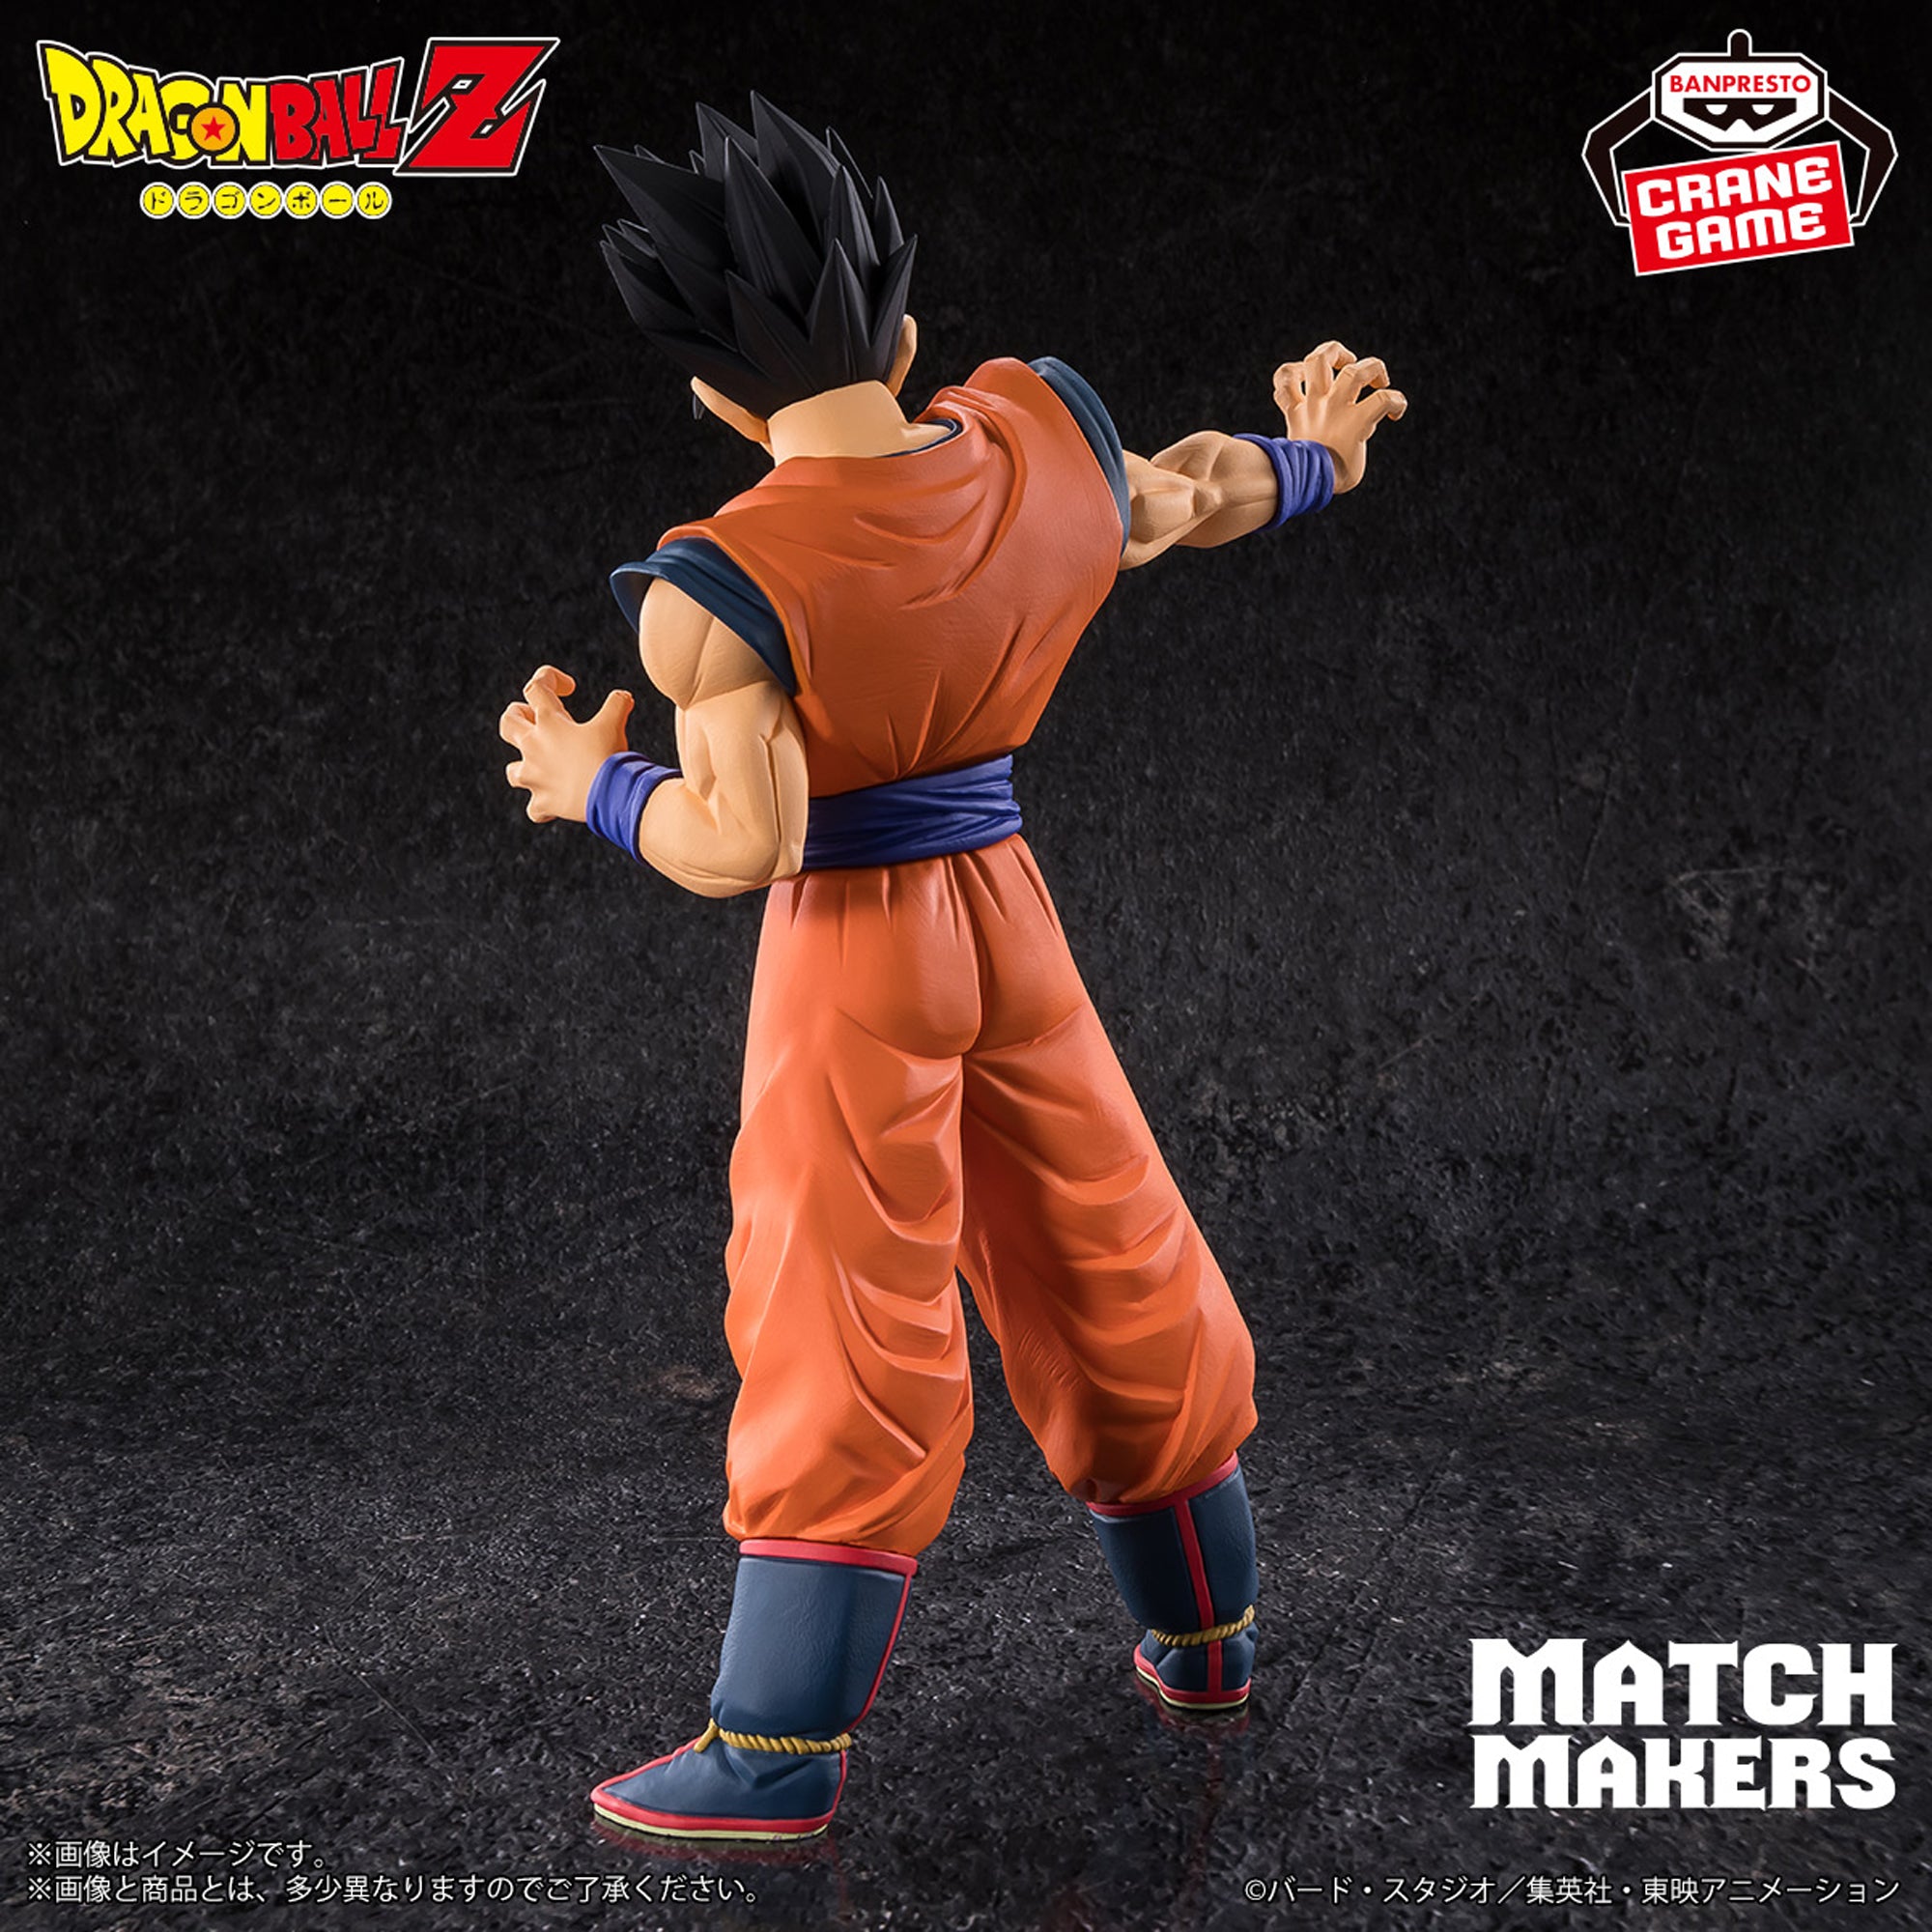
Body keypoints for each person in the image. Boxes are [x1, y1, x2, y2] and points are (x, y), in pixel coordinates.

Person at [499, 95, 1405, 1842]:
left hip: (853, 952)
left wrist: (590, 779)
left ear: (716, 401)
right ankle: (1208, 1640)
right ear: (905, 335)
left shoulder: (720, 587)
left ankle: (776, 1751)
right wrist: (1317, 461)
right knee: (1104, 1239)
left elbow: (739, 842)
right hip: (1006, 916)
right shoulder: (1043, 444)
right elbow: (1194, 490)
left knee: (837, 1304)